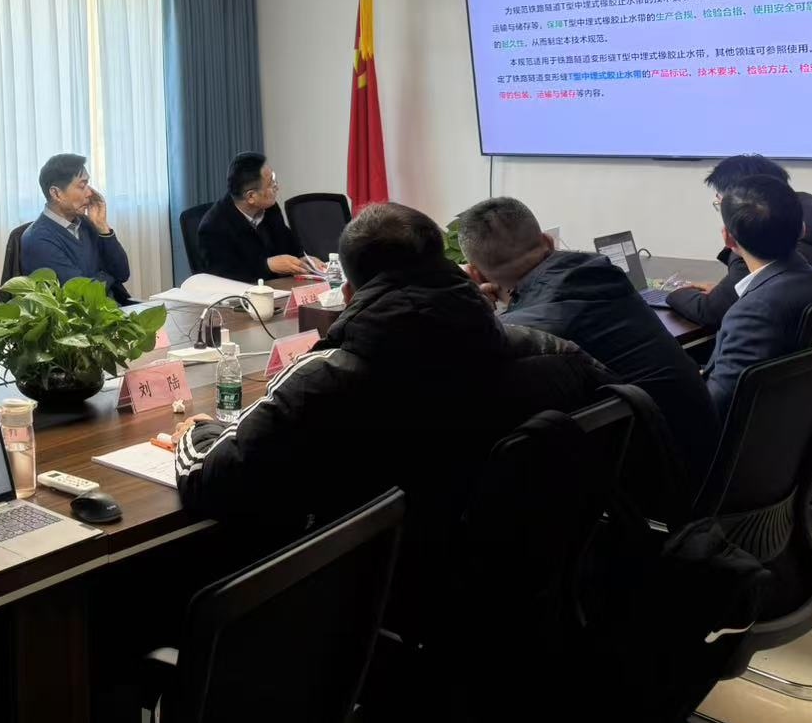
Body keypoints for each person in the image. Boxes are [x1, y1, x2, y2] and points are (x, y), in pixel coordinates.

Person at [175, 202, 610, 617]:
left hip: (374, 596)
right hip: (513, 585)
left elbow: (213, 481)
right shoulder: (541, 350)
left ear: (348, 294)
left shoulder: (323, 381)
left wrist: (198, 434)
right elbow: (611, 396)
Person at [456, 196, 718, 490]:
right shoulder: (603, 275)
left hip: (659, 486)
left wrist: (474, 301)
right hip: (709, 459)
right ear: (548, 242)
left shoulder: (532, 330)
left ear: (475, 273)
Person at [703, 175, 812, 419]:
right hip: (811, 429)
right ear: (802, 229)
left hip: (750, 440)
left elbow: (715, 410)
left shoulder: (752, 313)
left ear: (728, 238)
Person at [666, 154, 812, 330]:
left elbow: (712, 311)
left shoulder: (764, 244)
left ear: (744, 199)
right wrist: (728, 291)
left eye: (720, 202)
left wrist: (673, 293)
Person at [19, 153, 132, 304]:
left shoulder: (86, 223)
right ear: (56, 193)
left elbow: (122, 273)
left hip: (113, 308)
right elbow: (82, 294)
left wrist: (102, 227)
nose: (90, 193)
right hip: (83, 317)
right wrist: (109, 276)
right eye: (82, 186)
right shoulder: (37, 239)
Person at [195, 150, 323, 282]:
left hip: (276, 287)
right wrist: (267, 265)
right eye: (271, 184)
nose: (277, 187)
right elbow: (223, 274)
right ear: (251, 196)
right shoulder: (213, 227)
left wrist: (303, 259)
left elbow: (287, 242)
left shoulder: (269, 208)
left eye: (274, 179)